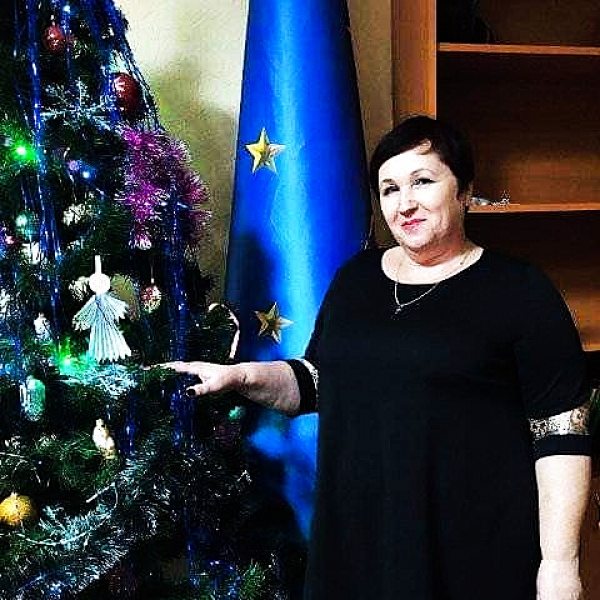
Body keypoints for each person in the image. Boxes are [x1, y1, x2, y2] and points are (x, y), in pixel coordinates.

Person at [166, 116, 592, 600]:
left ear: (465, 191)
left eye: (422, 181)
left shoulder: (520, 290)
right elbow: (320, 380)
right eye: (389, 189)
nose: (404, 203)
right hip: (356, 550)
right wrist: (241, 376)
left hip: (474, 557)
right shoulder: (357, 279)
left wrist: (560, 565)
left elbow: (563, 436)